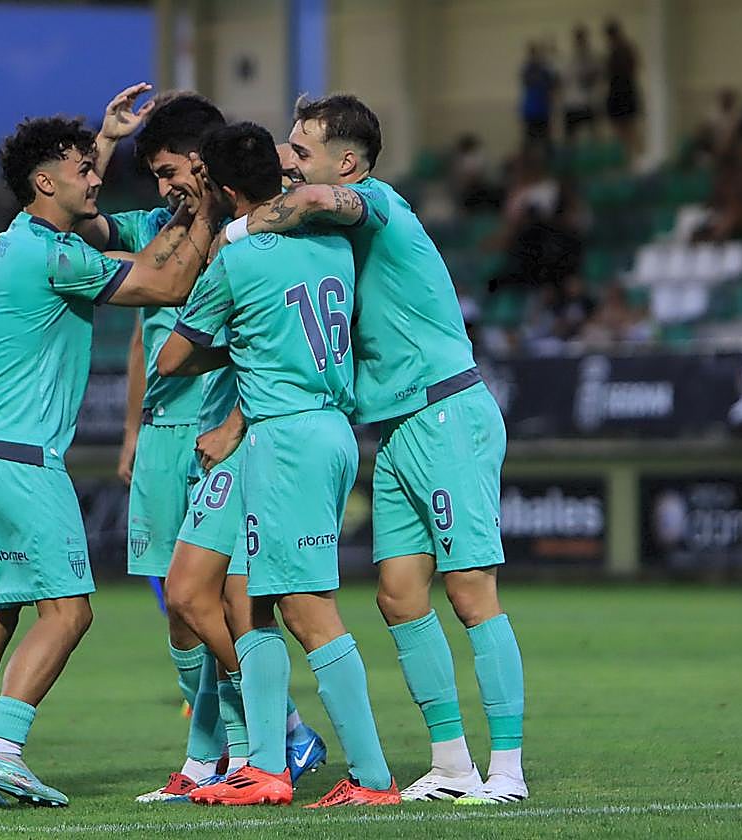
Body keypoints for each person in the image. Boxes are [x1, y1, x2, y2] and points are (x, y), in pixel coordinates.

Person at [222, 94, 527, 804]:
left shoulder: (375, 203)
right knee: (396, 597)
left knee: (472, 591)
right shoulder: (329, 243)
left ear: (347, 163)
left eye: (301, 151)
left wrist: (233, 234)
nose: (287, 164)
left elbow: (313, 202)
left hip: (446, 412)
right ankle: (452, 765)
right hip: (395, 429)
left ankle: (506, 769)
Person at [0, 113, 223, 809]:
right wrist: (208, 207)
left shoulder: (14, 245)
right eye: (83, 168)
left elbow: (104, 226)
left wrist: (101, 138)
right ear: (45, 182)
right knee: (68, 615)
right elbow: (165, 285)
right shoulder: (51, 255)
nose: (97, 176)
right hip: (21, 461)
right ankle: (0, 753)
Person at [84, 91, 325, 802]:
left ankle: (260, 744)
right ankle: (224, 754)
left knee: (226, 602)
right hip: (163, 439)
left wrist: (241, 422)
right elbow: (87, 230)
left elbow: (274, 344)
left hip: (222, 440)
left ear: (200, 162)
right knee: (183, 617)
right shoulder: (159, 228)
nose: (161, 189)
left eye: (167, 172)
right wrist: (102, 142)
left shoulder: (255, 227)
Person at [158, 122, 401, 809]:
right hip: (320, 427)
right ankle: (264, 765)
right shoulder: (331, 242)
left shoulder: (236, 263)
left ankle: (374, 777)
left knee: (308, 610)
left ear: (227, 189)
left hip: (286, 435)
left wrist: (233, 338)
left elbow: (172, 359)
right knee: (251, 602)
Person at [604, 18, 642, 159]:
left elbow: (634, 67)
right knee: (623, 131)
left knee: (629, 130)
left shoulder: (624, 50)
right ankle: (628, 158)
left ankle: (634, 158)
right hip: (621, 91)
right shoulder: (622, 50)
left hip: (623, 91)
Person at [561, 25, 601, 142]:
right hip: (572, 103)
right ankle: (571, 158)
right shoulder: (569, 58)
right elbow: (564, 80)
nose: (580, 40)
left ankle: (597, 157)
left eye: (582, 37)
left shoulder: (593, 57)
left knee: (594, 135)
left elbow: (597, 77)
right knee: (570, 138)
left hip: (589, 102)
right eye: (578, 37)